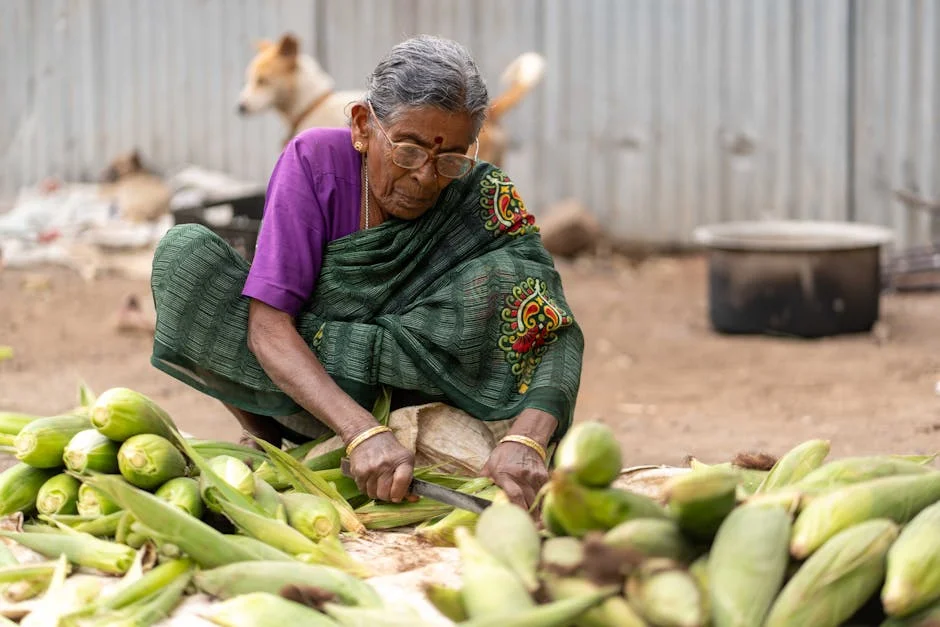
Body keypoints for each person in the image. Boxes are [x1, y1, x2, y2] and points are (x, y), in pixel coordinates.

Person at [149, 35, 584, 510]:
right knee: (186, 256)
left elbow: (552, 331)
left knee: (508, 284)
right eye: (409, 151)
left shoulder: (482, 195)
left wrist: (528, 440)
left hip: (436, 394)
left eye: (450, 159)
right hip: (317, 392)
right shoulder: (314, 163)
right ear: (362, 126)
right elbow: (268, 326)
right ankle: (280, 445)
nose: (425, 177)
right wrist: (361, 432)